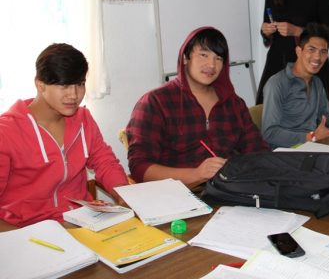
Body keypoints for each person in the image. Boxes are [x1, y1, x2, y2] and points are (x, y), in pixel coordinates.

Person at [0, 43, 129, 227]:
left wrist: (124, 194)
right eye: (64, 85)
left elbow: (105, 162)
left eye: (80, 84)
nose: (74, 95)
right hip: (31, 231)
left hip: (83, 223)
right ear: (40, 85)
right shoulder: (6, 131)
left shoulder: (84, 120)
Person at [126, 27, 269, 187]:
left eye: (219, 58)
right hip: (177, 197)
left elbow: (257, 150)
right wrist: (195, 174)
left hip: (230, 191)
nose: (211, 65)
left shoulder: (233, 103)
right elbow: (140, 168)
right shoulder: (155, 102)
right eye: (203, 55)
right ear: (186, 57)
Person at [262, 23, 329, 148]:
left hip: (313, 149)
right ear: (299, 51)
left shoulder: (317, 83)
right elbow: (269, 133)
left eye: (323, 52)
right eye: (311, 50)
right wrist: (310, 137)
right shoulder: (276, 83)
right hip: (285, 155)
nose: (317, 57)